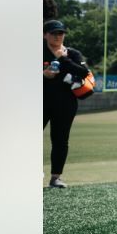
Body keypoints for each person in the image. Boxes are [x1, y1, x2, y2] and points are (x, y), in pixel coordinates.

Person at [42, 19, 90, 188]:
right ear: (44, 35)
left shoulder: (72, 53)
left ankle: (56, 177)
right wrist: (43, 74)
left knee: (60, 140)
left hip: (65, 103)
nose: (58, 36)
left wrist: (63, 59)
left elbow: (84, 72)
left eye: (60, 33)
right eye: (54, 33)